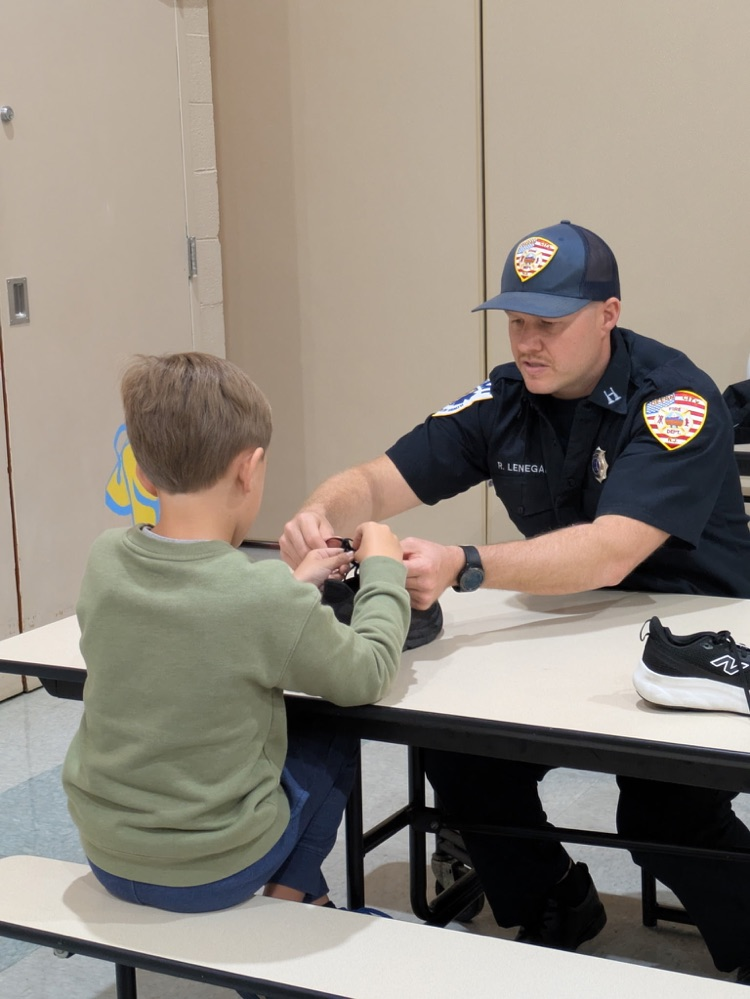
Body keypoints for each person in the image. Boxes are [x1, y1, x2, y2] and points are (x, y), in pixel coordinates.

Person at [280, 221, 750, 982]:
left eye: (550, 325)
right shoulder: (504, 396)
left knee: (664, 816)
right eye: (517, 322)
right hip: (567, 628)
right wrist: (317, 515)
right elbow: (376, 479)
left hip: (689, 638)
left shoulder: (675, 399)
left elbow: (612, 548)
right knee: (459, 751)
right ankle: (555, 901)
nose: (528, 342)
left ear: (608, 314)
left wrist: (465, 562)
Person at [62, 352, 410, 928]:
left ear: (143, 472)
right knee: (331, 731)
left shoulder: (105, 559)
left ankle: (310, 900)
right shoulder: (262, 600)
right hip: (209, 869)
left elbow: (191, 629)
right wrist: (383, 568)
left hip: (108, 851)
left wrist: (289, 589)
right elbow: (367, 672)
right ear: (250, 469)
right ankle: (290, 890)